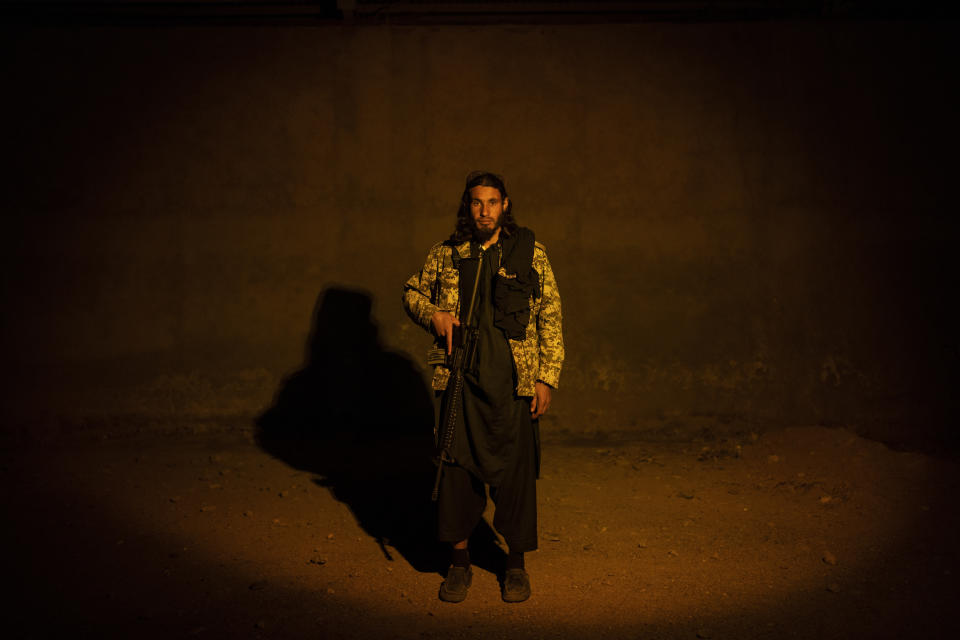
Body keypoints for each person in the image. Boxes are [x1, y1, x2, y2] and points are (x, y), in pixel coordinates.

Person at [402, 171, 564, 603]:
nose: (485, 210)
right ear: (467, 206)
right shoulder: (447, 254)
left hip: (513, 384)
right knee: (455, 474)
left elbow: (550, 314)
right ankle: (458, 566)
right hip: (459, 379)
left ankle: (515, 567)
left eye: (492, 202)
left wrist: (546, 376)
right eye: (477, 202)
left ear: (505, 205)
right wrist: (433, 314)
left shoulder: (531, 252)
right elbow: (411, 293)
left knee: (515, 477)